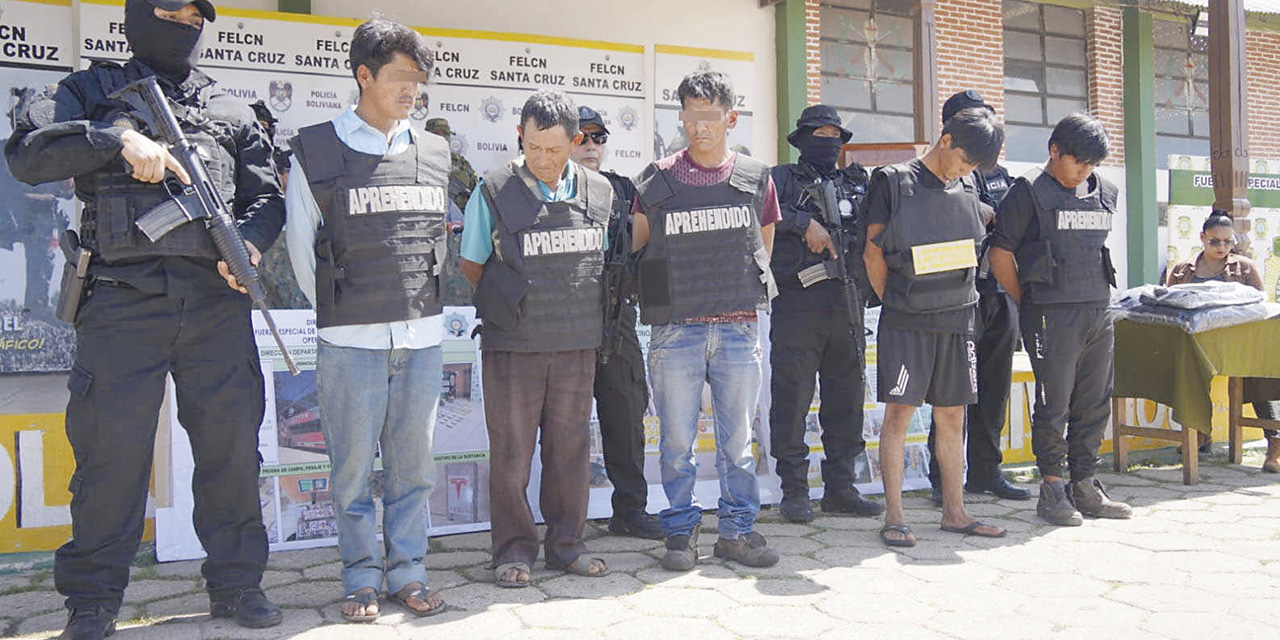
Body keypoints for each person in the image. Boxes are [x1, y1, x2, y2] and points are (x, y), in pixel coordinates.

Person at [4, 1, 284, 637]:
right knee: (110, 456)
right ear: (136, 16)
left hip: (215, 304)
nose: (185, 24)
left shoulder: (230, 110)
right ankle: (93, 601)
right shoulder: (86, 90)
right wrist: (113, 138)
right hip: (121, 300)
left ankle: (237, 586)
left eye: (195, 15)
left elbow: (265, 196)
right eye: (170, 10)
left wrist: (250, 246)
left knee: (231, 451)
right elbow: (26, 154)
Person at [285, 16, 448, 622]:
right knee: (352, 470)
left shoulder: (433, 151)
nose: (412, 89)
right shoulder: (317, 149)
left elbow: (434, 245)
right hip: (349, 339)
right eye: (401, 76)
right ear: (363, 75)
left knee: (414, 468)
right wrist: (342, 311)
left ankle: (408, 572)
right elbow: (304, 252)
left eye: (419, 78)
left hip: (421, 337)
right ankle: (359, 579)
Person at [459, 89, 612, 588]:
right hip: (513, 345)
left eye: (555, 149)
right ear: (519, 138)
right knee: (511, 453)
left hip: (576, 341)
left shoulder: (600, 192)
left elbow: (601, 264)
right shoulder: (493, 188)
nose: (544, 159)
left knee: (569, 450)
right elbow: (472, 264)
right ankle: (512, 549)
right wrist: (517, 306)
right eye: (533, 148)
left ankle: (566, 544)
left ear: (575, 141)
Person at [632, 70, 782, 570]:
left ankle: (737, 533)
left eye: (709, 115)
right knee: (676, 443)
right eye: (690, 115)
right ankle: (680, 534)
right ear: (681, 117)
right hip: (676, 331)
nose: (699, 126)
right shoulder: (655, 180)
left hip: (738, 327)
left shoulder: (757, 177)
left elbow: (761, 250)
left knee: (738, 444)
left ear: (730, 118)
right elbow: (638, 252)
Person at [862, 107, 1008, 547]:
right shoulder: (892, 182)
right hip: (908, 320)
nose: (966, 171)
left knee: (952, 415)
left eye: (973, 168)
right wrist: (897, 303)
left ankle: (954, 511)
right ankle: (895, 515)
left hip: (958, 317)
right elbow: (873, 255)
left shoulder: (966, 184)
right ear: (945, 141)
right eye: (963, 161)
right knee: (899, 415)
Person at [988, 113, 1134, 526]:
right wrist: (1029, 301)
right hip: (1051, 314)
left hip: (1097, 309)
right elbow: (1000, 255)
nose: (1084, 172)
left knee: (1094, 400)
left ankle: (1085, 484)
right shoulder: (1028, 191)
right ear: (1054, 151)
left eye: (1092, 165)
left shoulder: (1105, 191)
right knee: (1054, 405)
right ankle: (1053, 488)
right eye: (1078, 162)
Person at [767, 104, 884, 523]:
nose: (829, 141)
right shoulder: (780, 178)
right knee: (792, 400)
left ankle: (841, 488)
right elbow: (755, 215)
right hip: (798, 305)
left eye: (835, 135)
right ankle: (795, 491)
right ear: (802, 140)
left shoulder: (859, 182)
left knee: (847, 401)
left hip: (847, 304)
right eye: (820, 134)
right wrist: (802, 223)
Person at [926, 91, 1031, 504]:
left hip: (998, 292)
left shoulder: (1005, 177)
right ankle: (942, 479)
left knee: (994, 388)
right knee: (949, 392)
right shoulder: (939, 176)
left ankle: (986, 471)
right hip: (955, 294)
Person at [569, 105, 662, 539]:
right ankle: (564, 519)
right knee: (563, 422)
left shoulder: (626, 187)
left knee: (626, 411)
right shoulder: (549, 187)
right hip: (564, 316)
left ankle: (630, 509)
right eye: (581, 137)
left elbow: (647, 243)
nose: (590, 146)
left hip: (616, 311)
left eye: (598, 137)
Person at [1165, 210, 1279, 473]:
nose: (1222, 247)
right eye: (1215, 241)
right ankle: (1200, 433)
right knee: (1185, 367)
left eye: (1228, 242)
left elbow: (1259, 306)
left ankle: (1274, 444)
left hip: (1238, 340)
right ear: (1202, 238)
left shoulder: (1244, 267)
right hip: (1196, 342)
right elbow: (1169, 304)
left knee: (1256, 372)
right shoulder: (1183, 270)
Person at [424, 117, 479, 212]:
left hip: (458, 219)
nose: (443, 139)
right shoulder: (418, 161)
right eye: (438, 135)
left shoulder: (461, 163)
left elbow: (475, 192)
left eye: (446, 134)